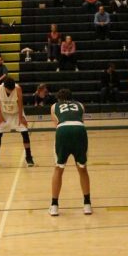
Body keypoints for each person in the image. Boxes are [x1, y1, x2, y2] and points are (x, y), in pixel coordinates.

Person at [49, 88, 92, 216]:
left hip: (63, 130)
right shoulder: (80, 105)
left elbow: (56, 124)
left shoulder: (54, 106)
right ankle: (87, 204)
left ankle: (54, 205)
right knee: (82, 168)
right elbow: (81, 119)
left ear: (59, 99)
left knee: (59, 168)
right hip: (80, 130)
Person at [0, 78, 34, 168]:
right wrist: (0, 116)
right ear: (5, 87)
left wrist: (21, 117)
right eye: (9, 89)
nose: (11, 91)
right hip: (4, 113)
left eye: (12, 89)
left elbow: (20, 103)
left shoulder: (17, 88)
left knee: (25, 133)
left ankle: (29, 157)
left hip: (16, 112)